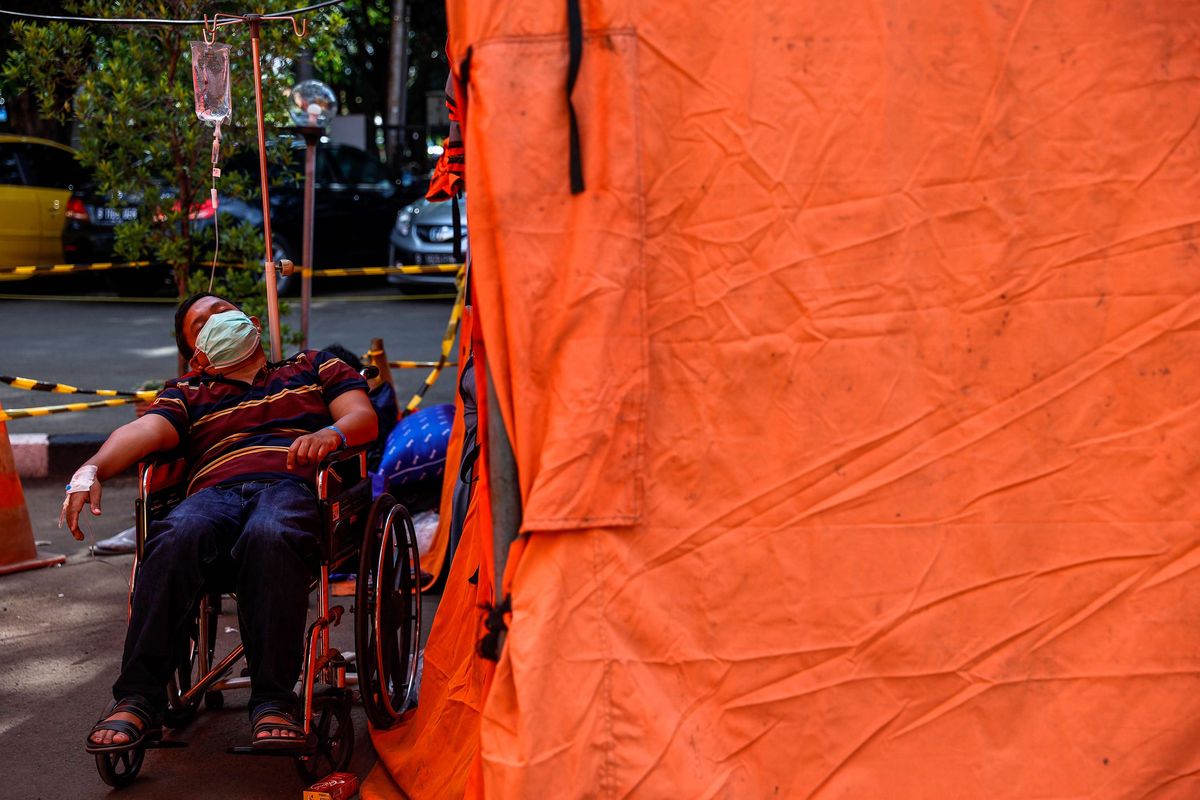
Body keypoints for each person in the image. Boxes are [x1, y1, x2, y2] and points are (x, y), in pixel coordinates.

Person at [62, 292, 378, 755]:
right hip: (214, 495)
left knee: (270, 534)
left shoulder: (315, 366)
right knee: (174, 535)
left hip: (289, 485)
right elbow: (142, 433)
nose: (217, 320)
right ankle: (136, 699)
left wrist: (331, 433)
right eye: (201, 323)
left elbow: (362, 418)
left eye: (222, 311)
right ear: (198, 355)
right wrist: (89, 470)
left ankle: (273, 702)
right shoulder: (187, 393)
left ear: (250, 320)